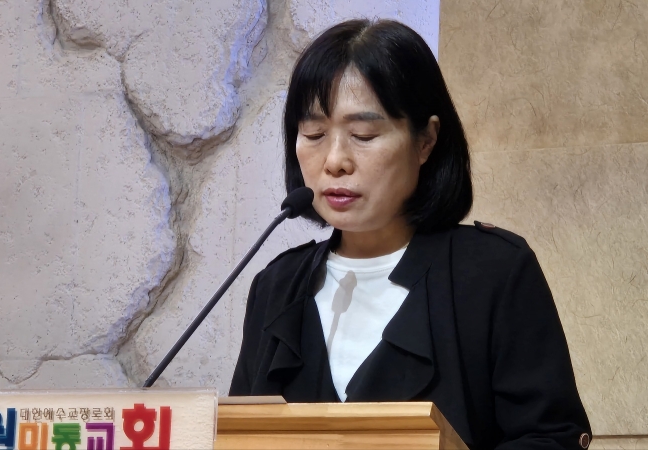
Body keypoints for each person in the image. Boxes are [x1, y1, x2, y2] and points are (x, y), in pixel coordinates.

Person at [229, 19, 592, 450]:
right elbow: (238, 435)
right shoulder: (275, 286)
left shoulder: (494, 272)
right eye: (314, 134)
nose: (335, 161)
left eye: (363, 135)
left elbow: (550, 438)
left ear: (426, 141)